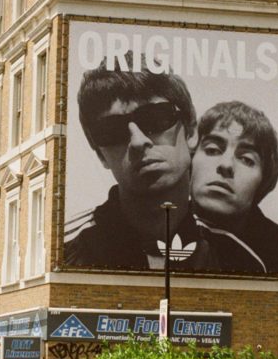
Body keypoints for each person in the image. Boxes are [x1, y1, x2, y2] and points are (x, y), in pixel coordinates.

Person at [65, 54, 218, 270]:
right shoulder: (64, 249)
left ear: (191, 131)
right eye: (112, 131)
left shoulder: (237, 252)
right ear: (100, 154)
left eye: (154, 119)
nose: (138, 142)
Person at [191, 100, 278, 273]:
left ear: (264, 181)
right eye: (212, 150)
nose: (226, 164)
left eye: (247, 159)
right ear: (190, 160)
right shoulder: (158, 225)